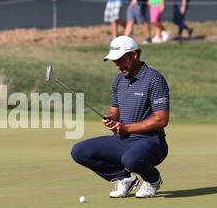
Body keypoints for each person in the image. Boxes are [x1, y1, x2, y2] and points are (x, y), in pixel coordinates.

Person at [71, 36, 170, 198]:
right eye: (114, 62)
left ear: (134, 55)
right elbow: (114, 111)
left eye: (120, 60)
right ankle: (124, 178)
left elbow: (162, 119)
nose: (117, 66)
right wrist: (111, 118)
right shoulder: (119, 81)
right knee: (80, 151)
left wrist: (126, 128)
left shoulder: (154, 79)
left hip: (152, 142)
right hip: (123, 141)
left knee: (130, 159)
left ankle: (152, 180)